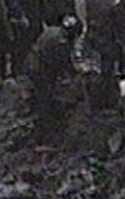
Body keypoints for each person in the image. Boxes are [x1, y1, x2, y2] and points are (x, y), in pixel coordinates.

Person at [26, 15, 84, 144]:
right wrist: (76, 75)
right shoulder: (61, 43)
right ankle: (47, 134)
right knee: (45, 100)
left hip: (33, 64)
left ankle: (42, 128)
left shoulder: (52, 30)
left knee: (41, 97)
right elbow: (64, 65)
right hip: (40, 70)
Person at [85, 0, 125, 109]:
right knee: (108, 73)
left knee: (95, 72)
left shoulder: (91, 0)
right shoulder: (114, 4)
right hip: (108, 40)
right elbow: (120, 25)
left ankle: (94, 101)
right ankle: (107, 102)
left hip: (92, 40)